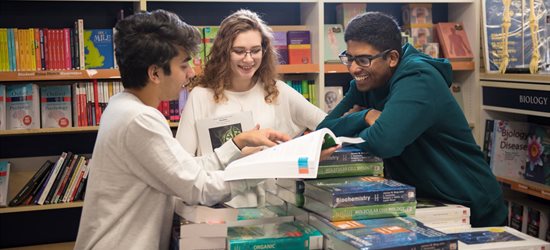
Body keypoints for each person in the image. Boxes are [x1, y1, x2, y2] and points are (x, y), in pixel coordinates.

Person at [75, 10, 294, 249]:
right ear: (155, 73)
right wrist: (265, 166)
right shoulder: (140, 121)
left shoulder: (121, 106)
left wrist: (236, 144)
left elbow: (184, 169)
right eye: (183, 65)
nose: (190, 73)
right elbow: (198, 188)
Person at [316, 12, 507, 227]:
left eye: (363, 60)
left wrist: (360, 127)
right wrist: (366, 115)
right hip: (426, 206)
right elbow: (322, 133)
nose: (353, 68)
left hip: (471, 207)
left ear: (392, 58)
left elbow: (384, 142)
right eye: (348, 58)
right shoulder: (366, 83)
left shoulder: (419, 78)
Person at [175, 9, 326, 207]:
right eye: (239, 51)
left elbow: (325, 124)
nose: (248, 59)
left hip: (272, 207)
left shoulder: (277, 90)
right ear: (223, 52)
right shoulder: (200, 96)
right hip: (219, 208)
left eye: (255, 50)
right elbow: (181, 165)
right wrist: (234, 153)